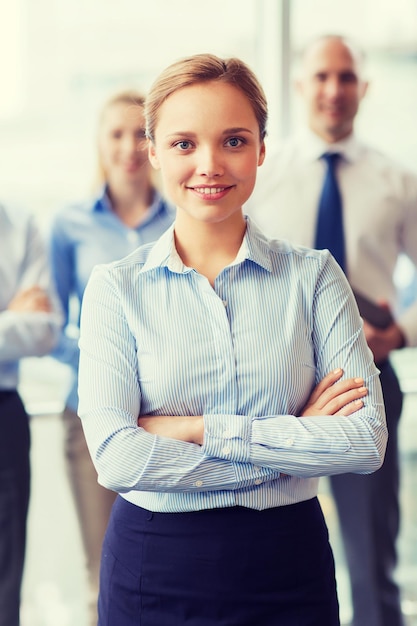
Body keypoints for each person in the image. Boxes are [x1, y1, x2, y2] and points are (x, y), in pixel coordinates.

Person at [77, 53, 387, 626]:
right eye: (183, 144)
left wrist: (199, 431)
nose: (210, 164)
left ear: (262, 150)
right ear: (153, 153)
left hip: (287, 562)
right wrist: (289, 449)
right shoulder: (115, 289)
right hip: (156, 566)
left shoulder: (314, 277)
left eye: (234, 141)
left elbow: (364, 443)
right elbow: (117, 457)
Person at [245, 35, 417, 626]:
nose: (333, 90)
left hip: (366, 383)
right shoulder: (261, 177)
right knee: (265, 550)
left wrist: (400, 335)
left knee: (372, 560)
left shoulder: (397, 180)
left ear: (363, 88)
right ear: (300, 86)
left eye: (346, 78)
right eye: (321, 76)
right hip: (274, 388)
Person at [48, 90, 175, 625]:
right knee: (103, 567)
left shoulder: (183, 216)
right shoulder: (70, 224)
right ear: (100, 145)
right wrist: (108, 356)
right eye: (116, 134)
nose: (128, 147)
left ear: (156, 145)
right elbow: (53, 326)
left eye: (140, 134)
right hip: (92, 416)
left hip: (173, 415)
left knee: (169, 569)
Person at [0, 203, 61, 626]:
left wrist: (24, 321)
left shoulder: (21, 225)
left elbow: (43, 331)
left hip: (3, 414)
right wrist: (9, 319)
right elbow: (22, 327)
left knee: (4, 580)